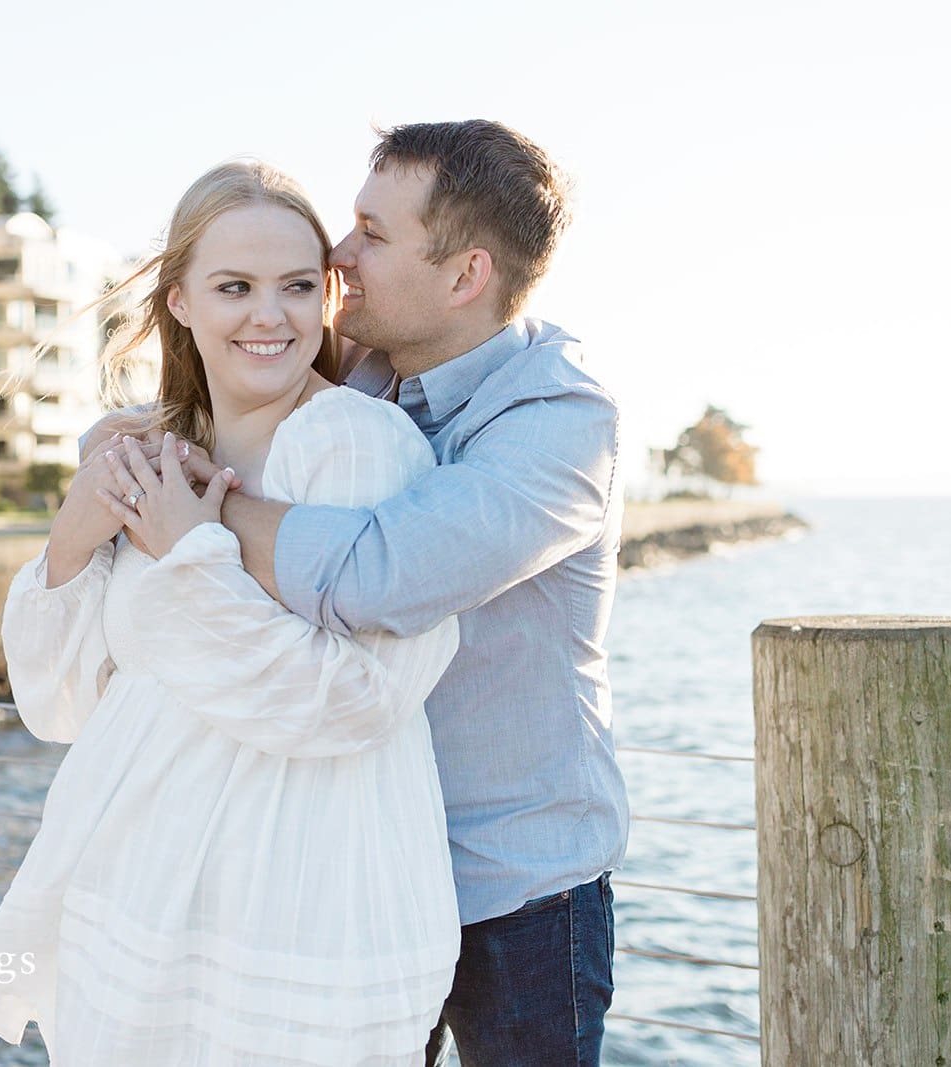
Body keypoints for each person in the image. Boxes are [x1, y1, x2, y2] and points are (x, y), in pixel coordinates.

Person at [102, 120, 628, 1065]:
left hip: (515, 885)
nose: (337, 258)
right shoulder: (371, 370)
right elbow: (235, 395)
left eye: (372, 235)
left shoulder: (561, 422)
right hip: (367, 863)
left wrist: (200, 517)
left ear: (466, 276)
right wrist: (136, 445)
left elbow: (374, 576)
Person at [0, 161, 462, 1066]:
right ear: (179, 299)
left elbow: (354, 700)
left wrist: (193, 547)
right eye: (235, 287)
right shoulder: (147, 450)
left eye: (299, 286)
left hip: (296, 915)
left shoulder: (356, 445)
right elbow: (60, 701)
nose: (272, 315)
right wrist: (76, 529)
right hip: (138, 899)